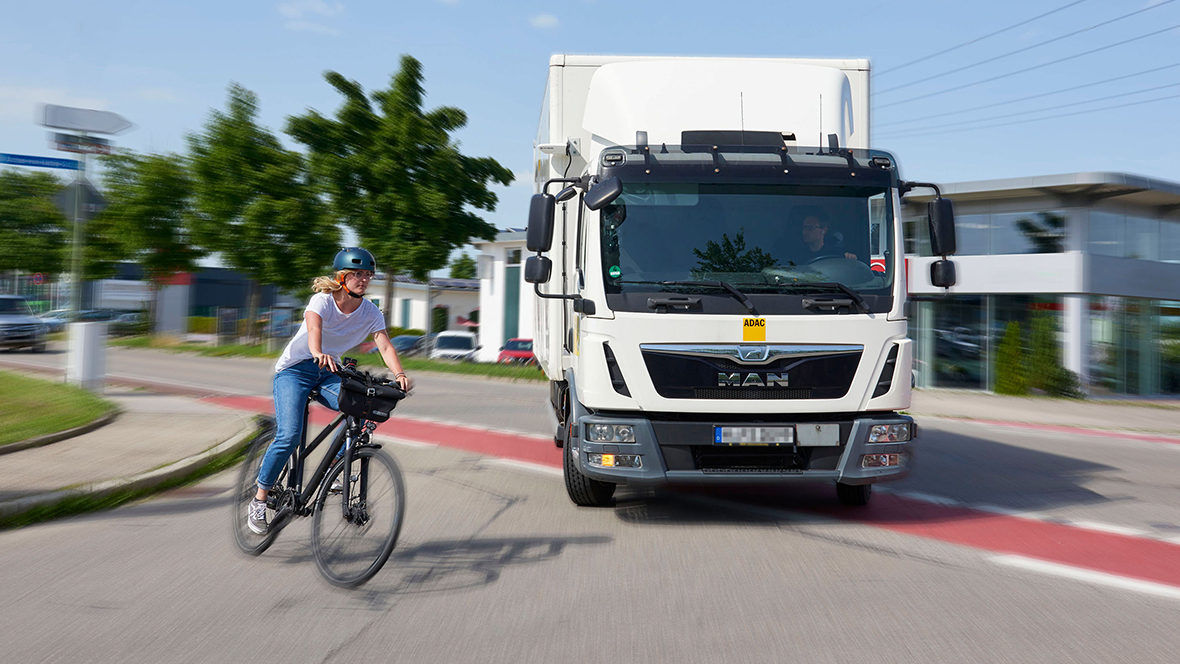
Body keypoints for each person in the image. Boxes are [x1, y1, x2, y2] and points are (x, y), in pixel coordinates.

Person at [247, 247, 412, 535]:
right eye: (357, 274)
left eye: (368, 275)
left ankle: (335, 469)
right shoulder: (322, 301)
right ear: (343, 276)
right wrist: (318, 352)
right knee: (289, 436)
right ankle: (259, 499)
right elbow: (314, 330)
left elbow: (384, 344)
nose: (363, 280)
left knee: (361, 407)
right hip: (295, 370)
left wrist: (399, 374)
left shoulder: (371, 312)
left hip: (329, 371)